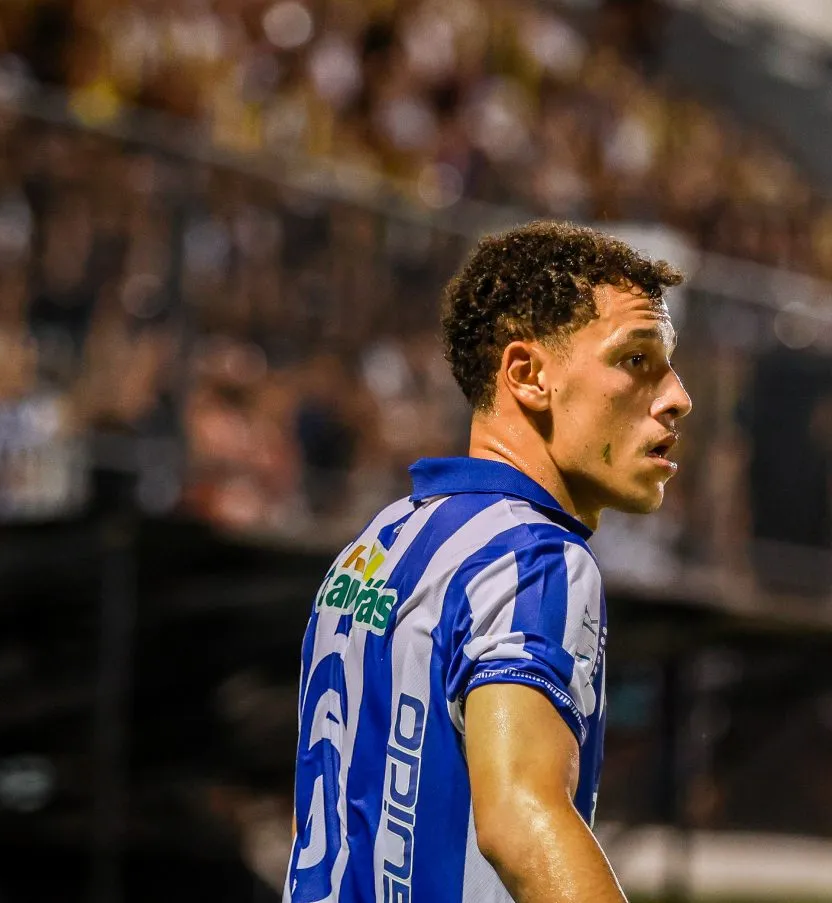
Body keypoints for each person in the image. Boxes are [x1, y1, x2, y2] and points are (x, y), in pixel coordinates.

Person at [285, 221, 692, 903]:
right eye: (635, 359)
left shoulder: (376, 543)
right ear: (528, 376)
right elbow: (520, 819)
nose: (677, 395)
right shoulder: (534, 558)